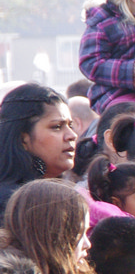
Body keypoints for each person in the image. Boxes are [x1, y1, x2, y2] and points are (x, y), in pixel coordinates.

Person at [0, 84, 78, 213]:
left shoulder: (62, 193)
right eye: (57, 127)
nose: (72, 135)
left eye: (71, 125)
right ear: (23, 138)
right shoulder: (12, 204)